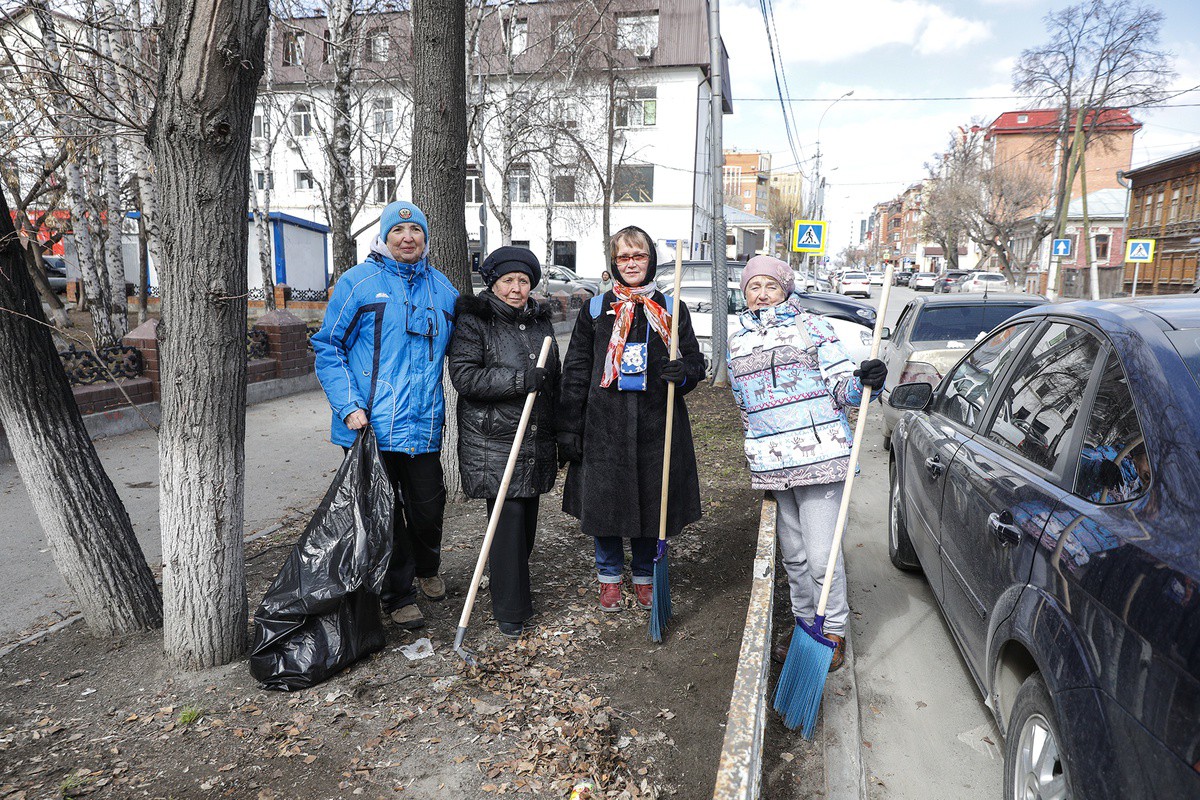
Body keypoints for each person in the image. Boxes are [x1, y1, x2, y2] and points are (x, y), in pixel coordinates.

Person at [727, 255, 887, 671]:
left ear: (786, 288)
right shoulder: (738, 337)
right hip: (771, 463)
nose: (761, 294)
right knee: (794, 557)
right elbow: (744, 406)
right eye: (753, 287)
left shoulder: (812, 327)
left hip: (820, 458)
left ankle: (832, 631)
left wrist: (863, 381)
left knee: (821, 556)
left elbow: (842, 389)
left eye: (770, 286)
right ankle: (804, 627)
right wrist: (753, 453)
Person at [312, 200, 459, 631]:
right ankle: (399, 595)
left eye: (415, 233)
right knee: (385, 514)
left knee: (429, 508)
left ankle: (426, 567)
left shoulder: (444, 290)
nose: (407, 238)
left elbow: (465, 349)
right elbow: (328, 347)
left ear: (426, 240)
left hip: (424, 424)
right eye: (398, 231)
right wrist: (349, 406)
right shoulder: (359, 283)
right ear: (385, 237)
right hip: (368, 426)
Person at [557, 227, 705, 612]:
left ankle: (644, 575)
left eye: (638, 256)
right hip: (604, 425)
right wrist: (569, 427)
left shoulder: (672, 309)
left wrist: (682, 373)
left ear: (650, 259)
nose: (632, 263)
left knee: (651, 501)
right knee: (605, 506)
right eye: (624, 257)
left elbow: (695, 362)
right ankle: (608, 578)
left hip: (658, 425)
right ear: (613, 263)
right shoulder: (595, 309)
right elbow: (576, 368)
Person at [448, 246, 561, 639]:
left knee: (524, 522)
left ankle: (504, 584)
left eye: (524, 282)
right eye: (509, 281)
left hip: (533, 438)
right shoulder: (474, 321)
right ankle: (511, 610)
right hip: (493, 441)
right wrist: (519, 381)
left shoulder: (540, 323)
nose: (516, 289)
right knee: (509, 524)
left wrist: (560, 431)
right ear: (493, 283)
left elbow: (555, 381)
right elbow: (464, 377)